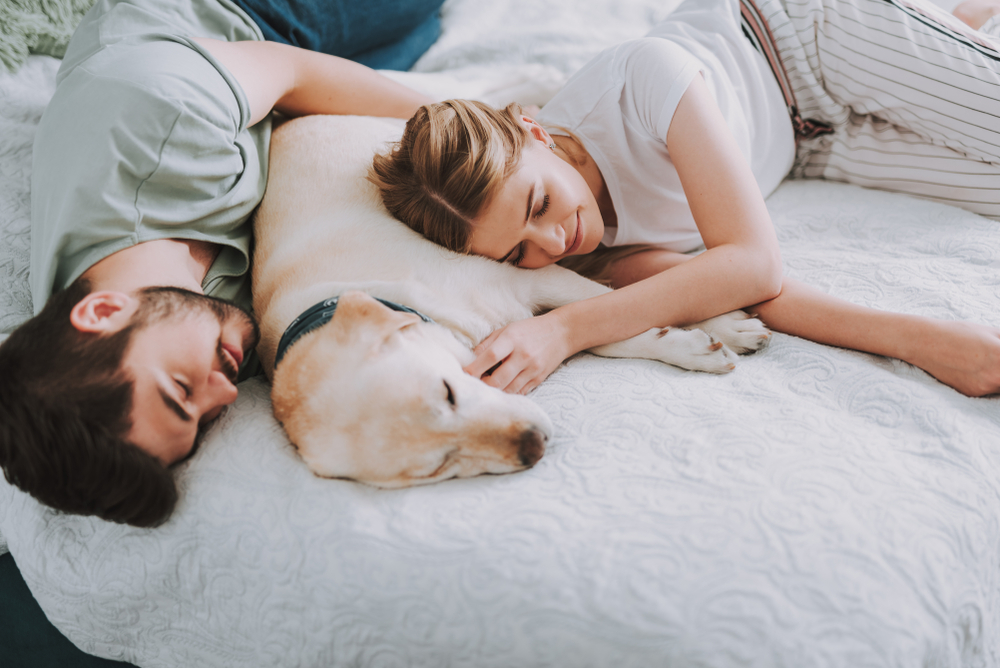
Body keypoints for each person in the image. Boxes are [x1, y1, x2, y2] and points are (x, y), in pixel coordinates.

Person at [370, 0, 1000, 400]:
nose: (552, 243)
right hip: (808, 144)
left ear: (534, 128)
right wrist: (931, 342)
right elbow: (748, 291)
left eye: (538, 206)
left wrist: (563, 329)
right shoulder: (584, 260)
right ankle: (951, 25)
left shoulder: (641, 76)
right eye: (516, 254)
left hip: (804, 36)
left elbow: (755, 262)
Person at [0, 0, 436, 527]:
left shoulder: (157, 118)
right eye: (203, 421)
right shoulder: (176, 329)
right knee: (427, 32)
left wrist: (468, 131)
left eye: (181, 389)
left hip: (245, 16)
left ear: (102, 313)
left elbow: (293, 70)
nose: (226, 392)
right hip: (255, 100)